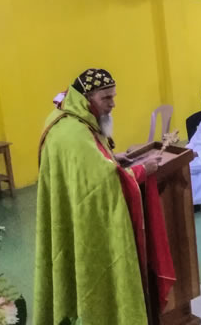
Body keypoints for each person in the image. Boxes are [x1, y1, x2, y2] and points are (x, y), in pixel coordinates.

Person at [35, 69, 167, 325]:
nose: (112, 103)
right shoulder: (72, 132)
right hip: (86, 221)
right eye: (106, 98)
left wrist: (111, 158)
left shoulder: (70, 116)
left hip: (73, 208)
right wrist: (142, 170)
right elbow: (100, 182)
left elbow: (89, 163)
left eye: (113, 96)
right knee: (92, 273)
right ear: (87, 97)